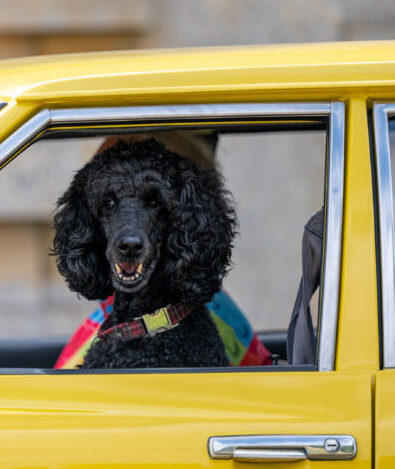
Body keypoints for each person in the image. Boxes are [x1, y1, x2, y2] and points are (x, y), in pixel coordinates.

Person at [54, 132, 272, 369]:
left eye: (153, 203)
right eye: (109, 204)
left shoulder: (196, 346)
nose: (129, 239)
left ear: (179, 219)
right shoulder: (113, 330)